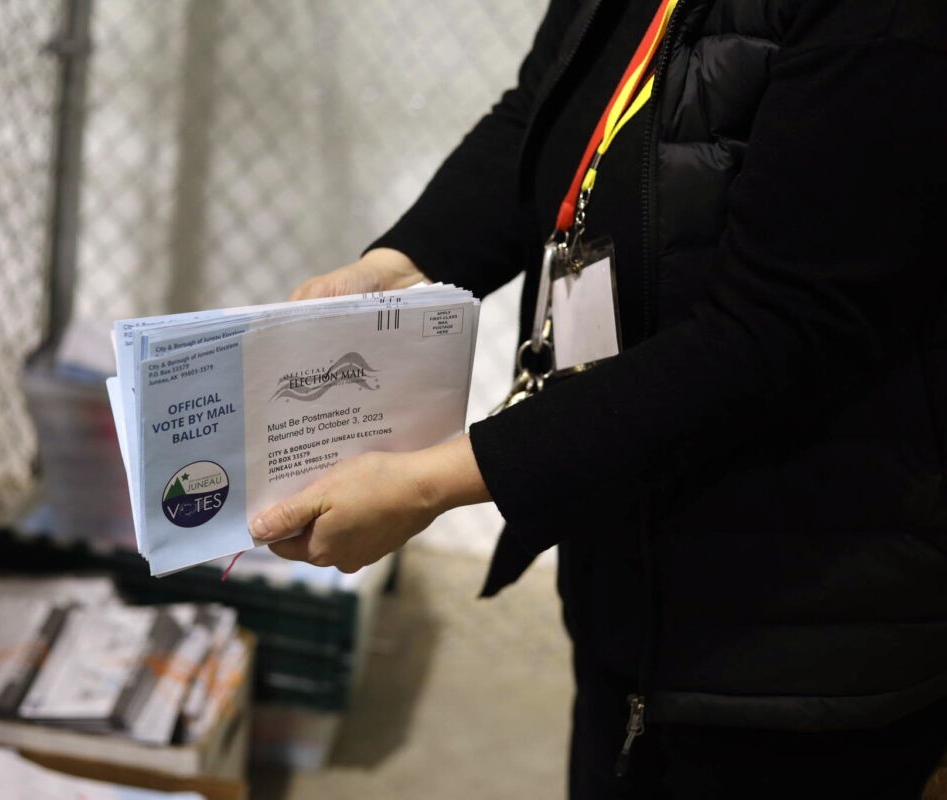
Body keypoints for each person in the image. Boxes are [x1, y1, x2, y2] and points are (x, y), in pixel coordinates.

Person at [247, 0, 947, 797]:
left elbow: (781, 328)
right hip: (630, 550)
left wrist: (433, 481)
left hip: (801, 631)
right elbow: (540, 117)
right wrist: (398, 265)